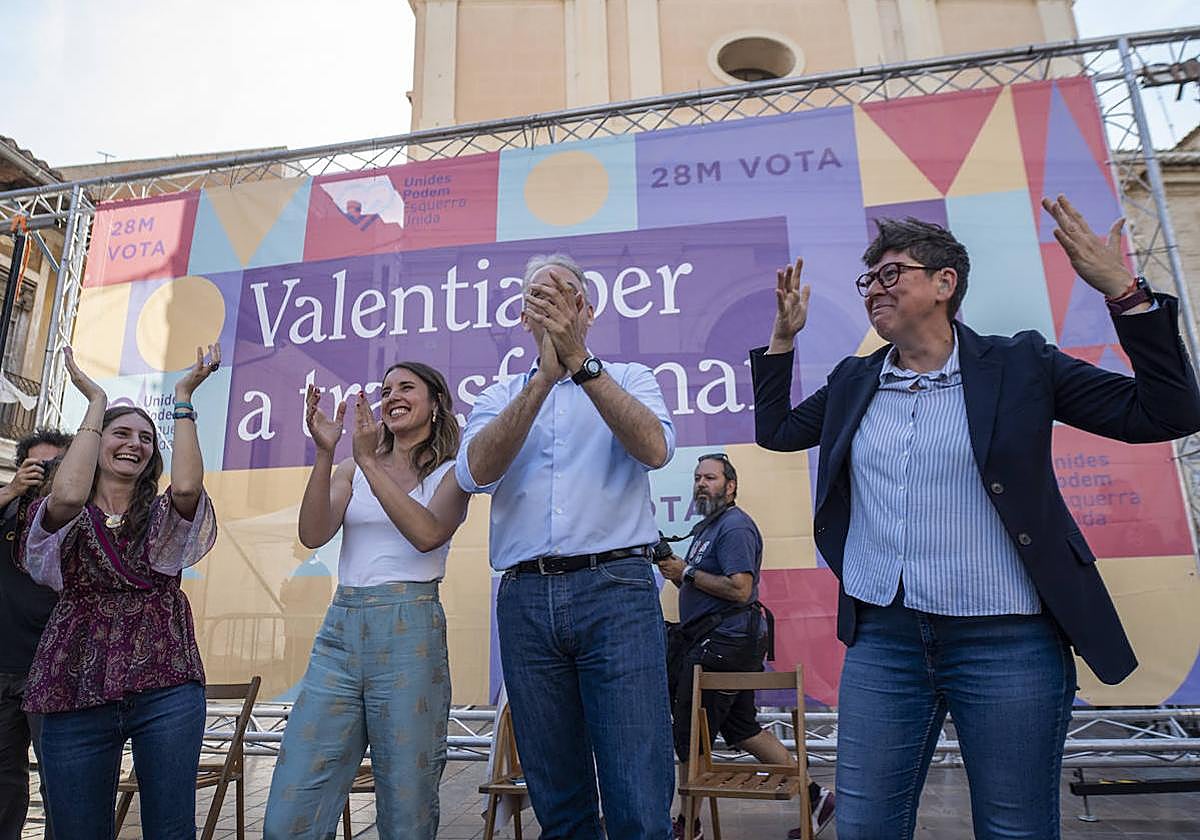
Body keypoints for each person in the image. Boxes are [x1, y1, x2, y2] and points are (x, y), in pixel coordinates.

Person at [750, 195, 1200, 839]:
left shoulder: (1020, 364)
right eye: (867, 278)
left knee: (1013, 828)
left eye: (890, 273)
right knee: (864, 825)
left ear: (944, 283)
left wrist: (1124, 295)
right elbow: (779, 431)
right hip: (887, 639)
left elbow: (1167, 413)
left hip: (1007, 641)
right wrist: (782, 341)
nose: (873, 288)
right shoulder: (855, 380)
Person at [456, 253, 676, 840]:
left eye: (561, 294)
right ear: (524, 317)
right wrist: (543, 382)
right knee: (557, 795)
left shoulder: (630, 378)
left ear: (587, 309)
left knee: (637, 794)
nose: (547, 306)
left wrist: (579, 364)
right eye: (536, 297)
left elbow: (654, 449)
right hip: (526, 597)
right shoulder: (499, 393)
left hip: (618, 593)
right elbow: (474, 472)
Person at [19, 345, 221, 839]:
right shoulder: (59, 514)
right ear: (95, 442)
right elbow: (67, 494)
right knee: (76, 829)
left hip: (165, 678)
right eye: (121, 433)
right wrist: (95, 401)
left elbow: (190, 487)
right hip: (73, 681)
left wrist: (184, 396)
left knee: (170, 828)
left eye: (146, 439)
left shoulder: (161, 516)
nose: (135, 444)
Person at [263, 361, 469, 840]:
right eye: (386, 388)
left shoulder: (452, 472)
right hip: (342, 627)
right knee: (292, 804)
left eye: (407, 387)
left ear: (436, 403)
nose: (392, 395)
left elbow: (427, 533)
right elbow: (313, 533)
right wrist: (324, 453)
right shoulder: (351, 466)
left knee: (407, 805)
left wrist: (371, 462)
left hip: (410, 626)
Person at [657, 453, 835, 840]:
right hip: (725, 639)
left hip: (722, 643)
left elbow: (739, 589)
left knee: (691, 732)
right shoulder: (709, 527)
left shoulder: (734, 526)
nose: (702, 483)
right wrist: (679, 573)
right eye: (698, 477)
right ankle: (816, 797)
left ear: (731, 485)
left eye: (711, 477)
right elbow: (705, 588)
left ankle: (690, 827)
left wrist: (685, 571)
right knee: (742, 729)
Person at [0, 429, 71, 840]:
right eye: (38, 465)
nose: (46, 474)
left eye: (57, 466)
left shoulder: (79, 517)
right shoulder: (6, 506)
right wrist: (11, 490)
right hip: (4, 666)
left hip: (55, 671)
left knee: (61, 783)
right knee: (3, 784)